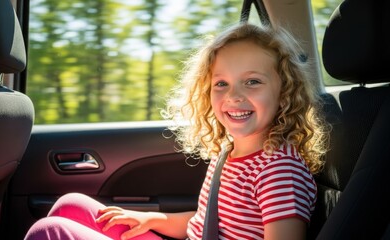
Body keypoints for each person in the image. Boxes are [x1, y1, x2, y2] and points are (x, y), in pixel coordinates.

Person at [24, 23, 329, 240]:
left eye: (252, 82)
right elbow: (205, 223)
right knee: (70, 204)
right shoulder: (230, 153)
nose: (234, 95)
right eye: (221, 83)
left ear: (285, 93)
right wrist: (150, 219)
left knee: (48, 232)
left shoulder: (278, 170)